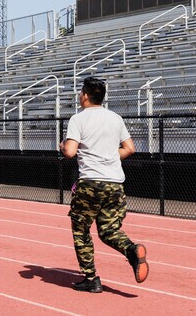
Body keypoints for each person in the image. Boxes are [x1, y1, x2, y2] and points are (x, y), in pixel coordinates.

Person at [60, 76, 148, 293]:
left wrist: (62, 146)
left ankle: (91, 278)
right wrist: (107, 156)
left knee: (81, 230)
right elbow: (130, 148)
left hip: (90, 182)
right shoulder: (115, 118)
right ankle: (131, 250)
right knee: (109, 230)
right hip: (115, 184)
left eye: (81, 92)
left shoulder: (78, 119)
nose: (80, 95)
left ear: (86, 96)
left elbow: (70, 152)